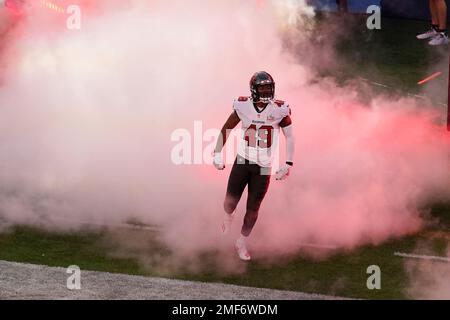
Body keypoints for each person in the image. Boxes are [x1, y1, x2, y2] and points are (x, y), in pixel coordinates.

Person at [213, 71, 296, 261]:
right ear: (254, 89)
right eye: (263, 87)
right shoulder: (243, 106)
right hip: (243, 160)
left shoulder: (279, 109)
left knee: (253, 209)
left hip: (264, 166)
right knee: (229, 202)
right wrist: (217, 152)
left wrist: (288, 163)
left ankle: (241, 241)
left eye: (269, 87)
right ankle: (228, 216)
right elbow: (226, 128)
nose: (267, 90)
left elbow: (289, 136)